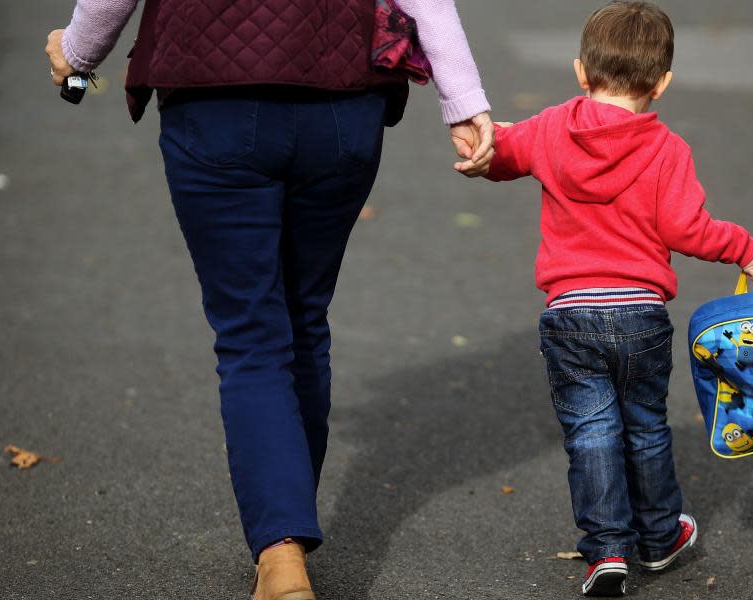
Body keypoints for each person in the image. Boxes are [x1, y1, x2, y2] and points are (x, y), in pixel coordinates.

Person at [45, 1, 493, 599]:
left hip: (213, 99)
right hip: (342, 102)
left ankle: (281, 558)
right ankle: (287, 542)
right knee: (304, 318)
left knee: (252, 333)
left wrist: (77, 55)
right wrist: (463, 100)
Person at [465, 2, 753, 596]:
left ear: (581, 72)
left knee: (592, 432)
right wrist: (742, 246)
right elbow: (687, 230)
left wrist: (481, 150)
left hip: (571, 312)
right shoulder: (667, 149)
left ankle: (606, 552)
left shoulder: (553, 127)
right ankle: (659, 537)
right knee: (647, 427)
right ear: (662, 83)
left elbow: (504, 152)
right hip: (640, 313)